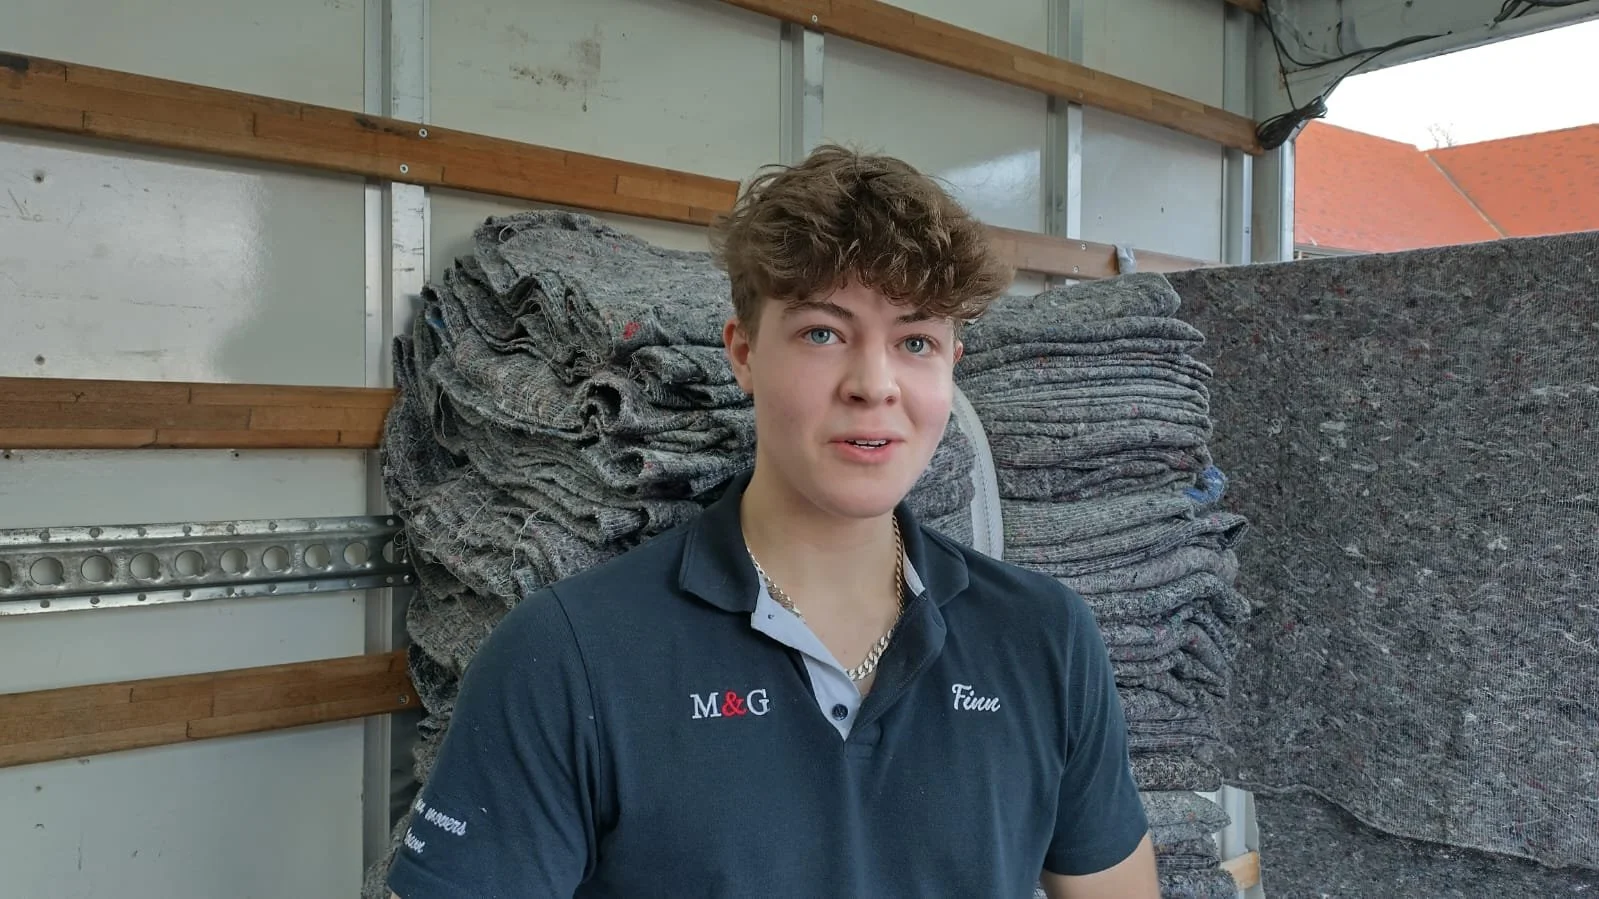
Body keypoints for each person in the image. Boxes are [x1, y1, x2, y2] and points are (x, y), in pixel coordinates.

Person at [386, 145, 1158, 898]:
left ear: (952, 361)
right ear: (744, 352)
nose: (873, 384)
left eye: (915, 340)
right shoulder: (568, 657)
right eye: (823, 332)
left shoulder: (1042, 638)